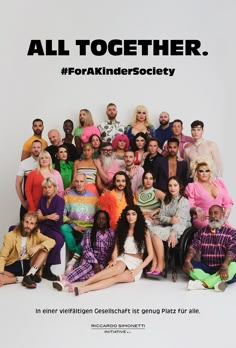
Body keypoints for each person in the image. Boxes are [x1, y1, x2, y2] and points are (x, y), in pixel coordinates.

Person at [71, 205, 153, 296]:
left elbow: (151, 255)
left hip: (136, 263)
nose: (130, 217)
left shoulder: (144, 231)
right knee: (116, 269)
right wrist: (114, 260)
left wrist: (137, 270)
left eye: (133, 214)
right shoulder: (122, 230)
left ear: (138, 215)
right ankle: (84, 284)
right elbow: (116, 249)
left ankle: (85, 288)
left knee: (116, 278)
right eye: (128, 214)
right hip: (123, 258)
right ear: (125, 216)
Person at [52, 210, 115, 291]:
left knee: (93, 275)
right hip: (88, 259)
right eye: (98, 218)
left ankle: (67, 277)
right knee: (88, 266)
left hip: (102, 263)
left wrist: (103, 264)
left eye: (104, 219)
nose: (101, 221)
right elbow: (87, 249)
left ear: (107, 220)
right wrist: (95, 263)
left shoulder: (111, 233)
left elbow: (112, 249)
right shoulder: (90, 232)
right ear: (95, 220)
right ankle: (64, 282)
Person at [183, 205, 236, 292]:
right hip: (207, 267)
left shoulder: (232, 233)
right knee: (190, 267)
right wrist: (187, 260)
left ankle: (204, 284)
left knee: (234, 266)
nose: (213, 216)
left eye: (216, 213)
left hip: (224, 267)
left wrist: (225, 264)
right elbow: (194, 246)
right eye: (210, 213)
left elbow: (232, 250)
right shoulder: (202, 231)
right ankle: (216, 282)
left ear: (222, 214)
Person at [148, 176, 191, 275]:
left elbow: (180, 222)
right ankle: (155, 262)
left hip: (181, 227)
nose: (172, 188)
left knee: (155, 234)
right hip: (167, 225)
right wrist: (170, 219)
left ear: (179, 186)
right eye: (170, 185)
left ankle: (161, 264)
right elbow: (161, 216)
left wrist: (173, 233)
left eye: (175, 185)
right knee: (149, 229)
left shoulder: (183, 201)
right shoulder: (166, 199)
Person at [0, 212, 55, 289]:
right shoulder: (10, 236)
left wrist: (38, 246)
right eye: (27, 222)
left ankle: (30, 275)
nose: (28, 226)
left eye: (32, 223)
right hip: (12, 265)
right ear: (22, 222)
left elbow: (52, 241)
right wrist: (1, 272)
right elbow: (2, 256)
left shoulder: (36, 235)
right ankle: (22, 279)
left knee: (44, 249)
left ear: (35, 225)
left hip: (28, 265)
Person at [61, 173, 98, 272]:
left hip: (88, 227)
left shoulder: (94, 197)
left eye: (81, 181)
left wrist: (90, 226)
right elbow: (63, 214)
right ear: (74, 183)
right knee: (63, 228)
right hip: (73, 225)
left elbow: (98, 216)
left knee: (90, 233)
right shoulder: (68, 196)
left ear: (86, 183)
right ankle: (76, 254)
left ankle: (72, 261)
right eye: (76, 181)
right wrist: (74, 226)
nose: (79, 184)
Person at [185, 157, 233, 229]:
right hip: (203, 218)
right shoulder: (192, 187)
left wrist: (224, 218)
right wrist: (196, 209)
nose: (204, 174)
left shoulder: (219, 183)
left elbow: (228, 203)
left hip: (219, 219)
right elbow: (189, 205)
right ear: (196, 172)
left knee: (231, 233)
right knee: (213, 230)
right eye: (201, 171)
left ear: (210, 172)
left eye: (207, 171)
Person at [37, 177, 65, 281]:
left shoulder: (60, 200)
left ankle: (47, 269)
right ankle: (34, 267)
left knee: (59, 240)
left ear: (54, 187)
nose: (47, 189)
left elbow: (57, 218)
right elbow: (38, 217)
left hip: (54, 228)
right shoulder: (42, 199)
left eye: (49, 187)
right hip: (42, 226)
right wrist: (48, 217)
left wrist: (43, 217)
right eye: (45, 187)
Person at [16, 139, 42, 220]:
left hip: (42, 200)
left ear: (41, 149)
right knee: (24, 226)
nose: (36, 149)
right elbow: (18, 184)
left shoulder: (45, 162)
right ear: (31, 149)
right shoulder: (24, 163)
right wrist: (23, 202)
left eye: (38, 147)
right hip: (28, 199)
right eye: (34, 147)